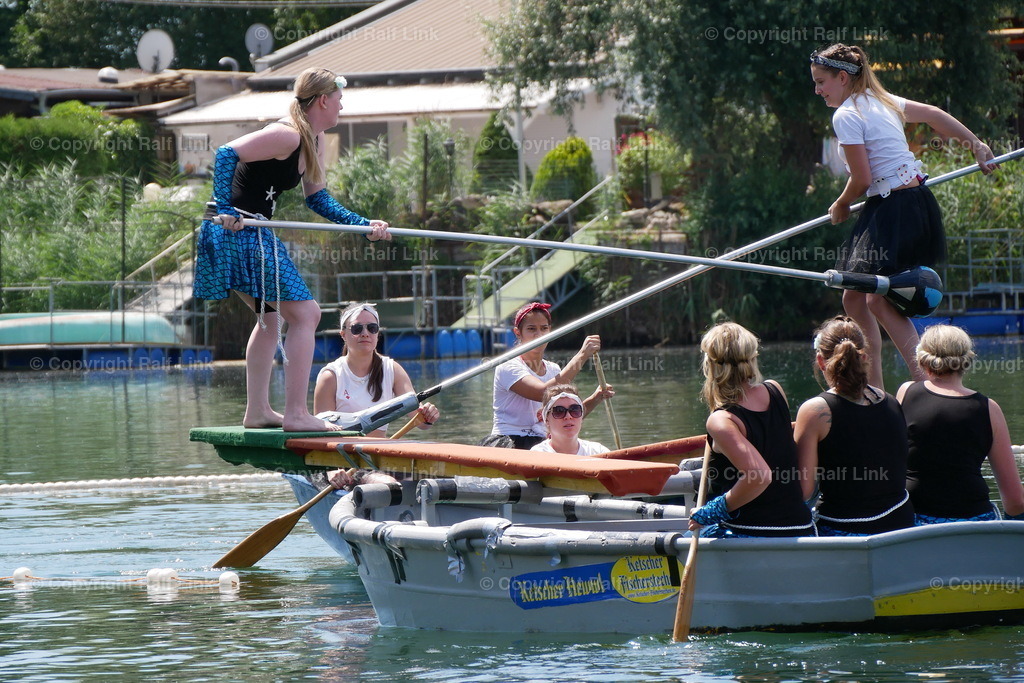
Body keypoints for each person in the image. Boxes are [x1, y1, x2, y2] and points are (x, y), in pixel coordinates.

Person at [193, 67, 391, 432]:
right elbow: (225, 154)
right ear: (323, 101)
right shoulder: (286, 135)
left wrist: (364, 225)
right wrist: (223, 208)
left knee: (272, 319)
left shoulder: (313, 142)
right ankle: (297, 414)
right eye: (340, 101)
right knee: (307, 315)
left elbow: (319, 201)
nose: (342, 109)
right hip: (237, 231)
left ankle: (257, 412)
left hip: (256, 233)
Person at [810, 43, 995, 389]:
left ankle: (922, 384)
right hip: (907, 202)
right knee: (856, 297)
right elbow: (935, 114)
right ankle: (876, 388)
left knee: (877, 299)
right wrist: (976, 145)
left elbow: (862, 178)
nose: (817, 90)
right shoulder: (881, 101)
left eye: (821, 82)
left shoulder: (846, 114)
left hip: (895, 208)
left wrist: (840, 204)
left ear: (843, 77)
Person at [687, 322, 814, 538]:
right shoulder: (775, 390)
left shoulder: (721, 420)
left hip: (754, 533)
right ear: (752, 358)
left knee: (689, 534)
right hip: (801, 526)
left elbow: (759, 476)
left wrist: (711, 511)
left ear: (709, 365)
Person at [794, 316, 915, 536]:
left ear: (821, 361)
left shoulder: (814, 411)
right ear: (865, 357)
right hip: (900, 525)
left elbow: (803, 490)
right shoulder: (890, 401)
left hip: (844, 528)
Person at [897, 324, 1024, 523]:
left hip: (915, 523)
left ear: (922, 360)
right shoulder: (989, 409)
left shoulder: (907, 393)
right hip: (974, 522)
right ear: (967, 360)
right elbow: (1016, 501)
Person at [482, 301, 613, 449]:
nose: (539, 335)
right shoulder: (507, 366)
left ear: (550, 330)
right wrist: (582, 355)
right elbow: (542, 392)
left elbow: (567, 416)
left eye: (544, 328)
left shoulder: (553, 370)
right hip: (509, 440)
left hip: (540, 440)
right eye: (531, 329)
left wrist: (596, 398)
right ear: (518, 332)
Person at [312, 302, 440, 437]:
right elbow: (322, 433)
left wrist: (428, 415)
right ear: (343, 335)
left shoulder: (393, 370)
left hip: (377, 452)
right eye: (357, 328)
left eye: (372, 328)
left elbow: (420, 421)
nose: (365, 333)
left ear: (377, 334)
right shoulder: (330, 376)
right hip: (342, 453)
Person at [530, 384, 610, 456]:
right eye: (559, 411)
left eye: (575, 410)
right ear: (546, 420)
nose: (568, 416)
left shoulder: (599, 452)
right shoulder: (538, 455)